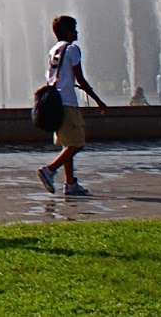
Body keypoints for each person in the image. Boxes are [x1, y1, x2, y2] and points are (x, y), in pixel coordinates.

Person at [36, 14, 108, 197]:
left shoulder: (54, 50)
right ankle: (49, 170)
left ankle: (70, 184)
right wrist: (98, 100)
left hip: (54, 102)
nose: (77, 33)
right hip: (67, 102)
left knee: (67, 144)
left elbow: (54, 77)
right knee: (77, 143)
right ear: (68, 32)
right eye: (74, 29)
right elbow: (80, 79)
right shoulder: (72, 49)